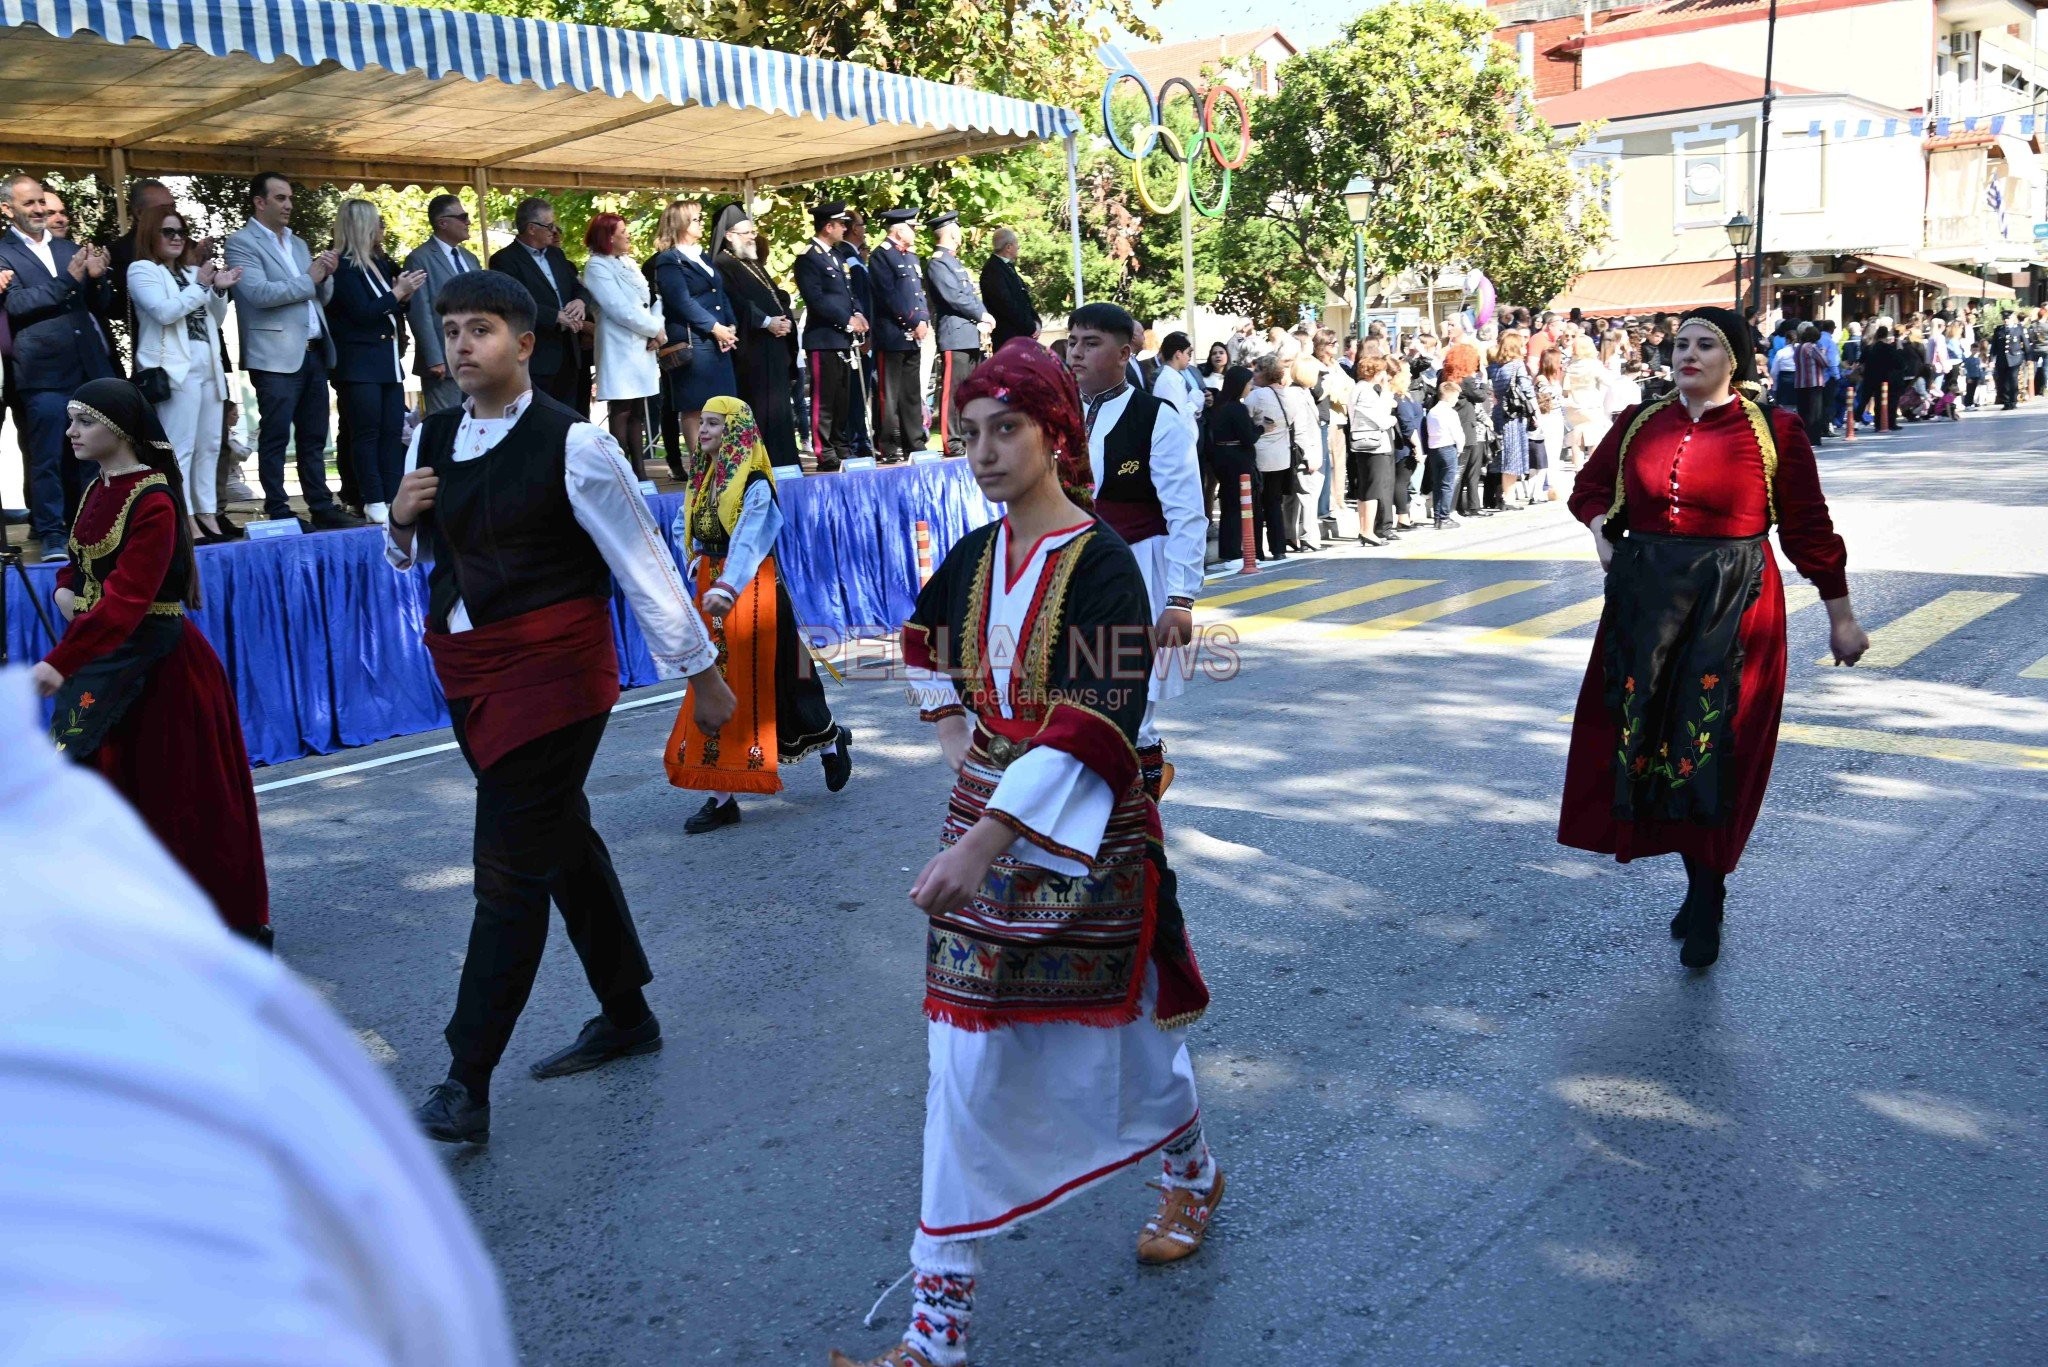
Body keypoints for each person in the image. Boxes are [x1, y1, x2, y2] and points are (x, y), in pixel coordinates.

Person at [830, 338, 1218, 1367]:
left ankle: (1188, 1165)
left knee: (1130, 1035)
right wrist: (959, 742)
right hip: (987, 818)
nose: (985, 451)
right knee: (958, 1061)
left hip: (1083, 834)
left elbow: (1097, 716)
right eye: (969, 434)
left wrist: (991, 827)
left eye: (1006, 429)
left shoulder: (1098, 567)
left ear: (1054, 434)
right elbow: (920, 641)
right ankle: (936, 1327)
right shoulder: (977, 554)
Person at [0, 667, 516, 1367]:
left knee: (520, 864)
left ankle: (476, 1073)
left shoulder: (77, 910)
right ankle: (603, 1011)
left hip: (142, 673)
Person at [381, 270, 738, 1145]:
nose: (464, 345)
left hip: (556, 677)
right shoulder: (430, 435)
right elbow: (411, 560)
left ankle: (465, 1081)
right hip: (471, 670)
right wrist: (396, 523)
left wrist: (704, 675)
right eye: (454, 329)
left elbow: (643, 565)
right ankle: (625, 1011)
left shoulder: (576, 444)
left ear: (527, 343)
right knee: (558, 839)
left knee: (508, 870)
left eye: (483, 330)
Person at [1559, 307, 1869, 970]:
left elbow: (1809, 531)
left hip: (1734, 605)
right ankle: (1700, 882)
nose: (1688, 355)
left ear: (1737, 360)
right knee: (1647, 746)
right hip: (1646, 604)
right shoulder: (1638, 423)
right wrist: (1599, 530)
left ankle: (1708, 894)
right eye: (1681, 345)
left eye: (1706, 345)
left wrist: (1841, 615)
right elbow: (1587, 490)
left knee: (1711, 752)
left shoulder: (1773, 428)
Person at [30, 376, 271, 945]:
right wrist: (65, 593)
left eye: (83, 421)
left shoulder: (153, 499)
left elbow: (129, 602)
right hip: (106, 659)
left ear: (118, 428)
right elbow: (78, 568)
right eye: (71, 421)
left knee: (175, 795)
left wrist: (60, 661)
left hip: (160, 668)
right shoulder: (96, 490)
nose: (71, 433)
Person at [662, 395, 852, 833]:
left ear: (734, 432)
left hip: (750, 588)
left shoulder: (753, 481)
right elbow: (683, 521)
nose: (704, 430)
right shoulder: (703, 475)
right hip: (714, 585)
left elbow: (750, 538)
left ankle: (829, 741)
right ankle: (722, 796)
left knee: (784, 677)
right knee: (716, 683)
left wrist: (727, 582)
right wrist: (695, 559)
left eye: (713, 424)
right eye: (702, 423)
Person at [1066, 303, 1205, 796]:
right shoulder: (1053, 414)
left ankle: (1139, 808)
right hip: (1068, 574)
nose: (1076, 353)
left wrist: (1181, 599)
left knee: (1131, 697)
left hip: (1136, 571)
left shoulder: (1156, 419)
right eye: (1073, 341)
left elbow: (1186, 513)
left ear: (1125, 353)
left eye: (1091, 343)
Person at [224, 171, 364, 533]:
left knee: (315, 434)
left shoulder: (299, 243)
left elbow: (317, 296)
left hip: (313, 350)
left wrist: (326, 277)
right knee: (275, 436)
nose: (289, 205)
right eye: (280, 198)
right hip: (273, 354)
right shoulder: (241, 243)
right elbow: (259, 294)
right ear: (260, 202)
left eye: (290, 198)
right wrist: (312, 279)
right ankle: (278, 507)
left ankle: (320, 504)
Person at [2, 173, 117, 559]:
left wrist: (98, 281)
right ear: (7, 209)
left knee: (94, 455)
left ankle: (93, 529)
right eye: (29, 204)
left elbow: (96, 305)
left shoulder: (69, 247)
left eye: (41, 202)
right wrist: (69, 280)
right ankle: (52, 532)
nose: (38, 210)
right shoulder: (2, 253)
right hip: (41, 373)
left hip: (87, 368)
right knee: (47, 456)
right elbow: (17, 305)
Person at [127, 200, 240, 543]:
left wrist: (218, 289)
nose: (177, 238)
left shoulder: (192, 273)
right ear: (152, 234)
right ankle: (183, 516)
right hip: (175, 371)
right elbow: (163, 312)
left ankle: (208, 513)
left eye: (181, 232)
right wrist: (201, 287)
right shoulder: (142, 270)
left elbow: (213, 321)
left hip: (207, 367)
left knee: (209, 445)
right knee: (180, 448)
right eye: (168, 232)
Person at [326, 199, 425, 525]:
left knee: (390, 432)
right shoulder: (341, 267)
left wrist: (403, 296)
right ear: (361, 226)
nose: (381, 229)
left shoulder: (380, 265)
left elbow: (389, 309)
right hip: (357, 365)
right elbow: (362, 313)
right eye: (376, 222)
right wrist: (397, 294)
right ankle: (372, 498)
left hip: (385, 361)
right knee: (365, 434)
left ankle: (394, 495)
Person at [646, 198, 739, 462]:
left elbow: (720, 293)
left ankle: (722, 463)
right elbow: (681, 301)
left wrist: (730, 325)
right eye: (696, 219)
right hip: (693, 342)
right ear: (681, 223)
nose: (701, 224)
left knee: (722, 405)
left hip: (718, 341)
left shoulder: (703, 256)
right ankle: (702, 466)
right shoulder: (669, 260)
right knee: (695, 407)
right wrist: (714, 327)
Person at [712, 204, 802, 467]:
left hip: (774, 347)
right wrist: (766, 322)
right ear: (729, 235)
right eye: (746, 232)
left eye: (753, 231)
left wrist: (783, 320)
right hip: (753, 352)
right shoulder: (722, 264)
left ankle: (784, 464)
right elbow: (737, 303)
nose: (753, 237)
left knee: (780, 411)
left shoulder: (751, 263)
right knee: (760, 411)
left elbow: (777, 295)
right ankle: (762, 466)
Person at [487, 196, 593, 417]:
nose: (554, 231)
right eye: (549, 225)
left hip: (569, 352)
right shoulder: (504, 260)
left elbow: (578, 288)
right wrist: (554, 316)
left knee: (569, 417)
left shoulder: (557, 255)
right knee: (539, 417)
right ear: (532, 228)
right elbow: (511, 302)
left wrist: (580, 302)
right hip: (537, 354)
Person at [581, 210, 665, 471]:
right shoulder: (596, 266)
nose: (628, 235)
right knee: (622, 408)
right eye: (622, 232)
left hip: (643, 343)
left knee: (638, 410)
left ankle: (640, 470)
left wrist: (657, 330)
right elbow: (618, 307)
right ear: (608, 237)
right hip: (619, 346)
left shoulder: (627, 262)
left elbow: (651, 300)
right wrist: (654, 329)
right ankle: (621, 469)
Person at [793, 201, 867, 471]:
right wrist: (846, 319)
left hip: (843, 339)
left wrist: (858, 313)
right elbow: (816, 298)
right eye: (841, 224)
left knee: (842, 398)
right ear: (828, 226)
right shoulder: (808, 257)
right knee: (824, 400)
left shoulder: (836, 256)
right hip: (823, 339)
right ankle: (824, 450)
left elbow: (849, 293)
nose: (845, 228)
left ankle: (841, 445)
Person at [404, 192, 482, 416]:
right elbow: (420, 312)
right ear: (442, 223)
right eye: (463, 216)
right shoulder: (419, 258)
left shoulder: (470, 258)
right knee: (446, 427)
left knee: (475, 424)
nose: (468, 222)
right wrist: (433, 358)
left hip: (476, 358)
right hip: (443, 362)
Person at [924, 212, 994, 454]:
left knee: (969, 391)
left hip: (968, 334)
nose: (961, 233)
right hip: (954, 335)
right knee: (953, 392)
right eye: (958, 228)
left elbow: (971, 295)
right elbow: (953, 297)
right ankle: (952, 440)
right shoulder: (938, 262)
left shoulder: (954, 262)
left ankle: (967, 436)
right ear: (951, 232)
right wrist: (980, 315)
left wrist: (984, 316)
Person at [869, 207, 931, 463]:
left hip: (913, 335)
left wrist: (924, 319)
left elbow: (918, 294)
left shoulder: (912, 257)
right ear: (898, 230)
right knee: (889, 394)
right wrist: (913, 321)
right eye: (911, 227)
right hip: (892, 334)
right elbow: (888, 295)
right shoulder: (880, 256)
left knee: (911, 393)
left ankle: (914, 442)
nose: (915, 232)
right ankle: (888, 445)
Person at [1205, 364, 1261, 562]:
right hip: (1237, 459)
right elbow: (1248, 438)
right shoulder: (1238, 408)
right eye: (1248, 383)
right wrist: (1261, 429)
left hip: (1221, 458)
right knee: (1237, 507)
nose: (1251, 386)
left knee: (1228, 506)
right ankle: (1234, 550)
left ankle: (1227, 549)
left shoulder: (1220, 406)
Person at [1347, 350, 1399, 546]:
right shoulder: (1366, 391)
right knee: (1372, 488)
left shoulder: (1359, 389)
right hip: (1373, 444)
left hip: (1362, 442)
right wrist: (1392, 419)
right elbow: (1382, 417)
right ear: (1376, 372)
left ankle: (1364, 529)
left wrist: (1385, 391)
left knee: (1365, 487)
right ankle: (1368, 530)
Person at [1246, 353, 1293, 560]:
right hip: (1282, 458)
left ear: (1265, 373)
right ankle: (1278, 548)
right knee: (1274, 505)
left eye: (1257, 370)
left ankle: (1257, 550)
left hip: (1261, 457)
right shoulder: (1287, 395)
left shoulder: (1257, 396)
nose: (1253, 374)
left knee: (1255, 506)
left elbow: (1244, 418)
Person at [1489, 331, 1535, 510]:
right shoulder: (1517, 366)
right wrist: (1535, 413)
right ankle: (1509, 498)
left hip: (1500, 413)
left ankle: (1501, 494)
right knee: (1512, 456)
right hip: (1514, 415)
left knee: (1502, 455)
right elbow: (1527, 390)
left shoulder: (1497, 367)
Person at [979, 226, 1038, 348]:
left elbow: (1023, 299)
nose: (1018, 248)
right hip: (1008, 338)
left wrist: (1036, 321)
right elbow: (1006, 304)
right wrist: (1030, 327)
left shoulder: (1007, 267)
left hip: (1020, 334)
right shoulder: (993, 270)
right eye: (1017, 244)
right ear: (1008, 247)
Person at [1424, 378, 1465, 530]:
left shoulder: (1432, 411)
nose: (1456, 400)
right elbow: (1457, 433)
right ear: (1449, 396)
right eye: (1455, 397)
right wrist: (1460, 447)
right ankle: (1444, 517)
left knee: (1437, 483)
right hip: (1448, 447)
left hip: (1434, 449)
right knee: (1447, 484)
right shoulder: (1450, 413)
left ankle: (1437, 517)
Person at [1149, 330, 1204, 432]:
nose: (1189, 358)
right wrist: (1194, 404)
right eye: (1188, 353)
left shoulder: (1174, 377)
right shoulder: (1169, 381)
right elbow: (1176, 419)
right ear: (1178, 354)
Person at [1993, 309, 2025, 410]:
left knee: (2013, 379)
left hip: (2015, 358)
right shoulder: (1999, 329)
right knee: (2003, 381)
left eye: (2007, 318)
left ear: (2012, 319)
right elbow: (1994, 345)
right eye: (2004, 319)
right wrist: (1991, 359)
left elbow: (2026, 343)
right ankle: (2006, 402)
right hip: (2002, 359)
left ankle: (2013, 401)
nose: (2006, 320)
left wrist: (2029, 357)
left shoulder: (2018, 329)